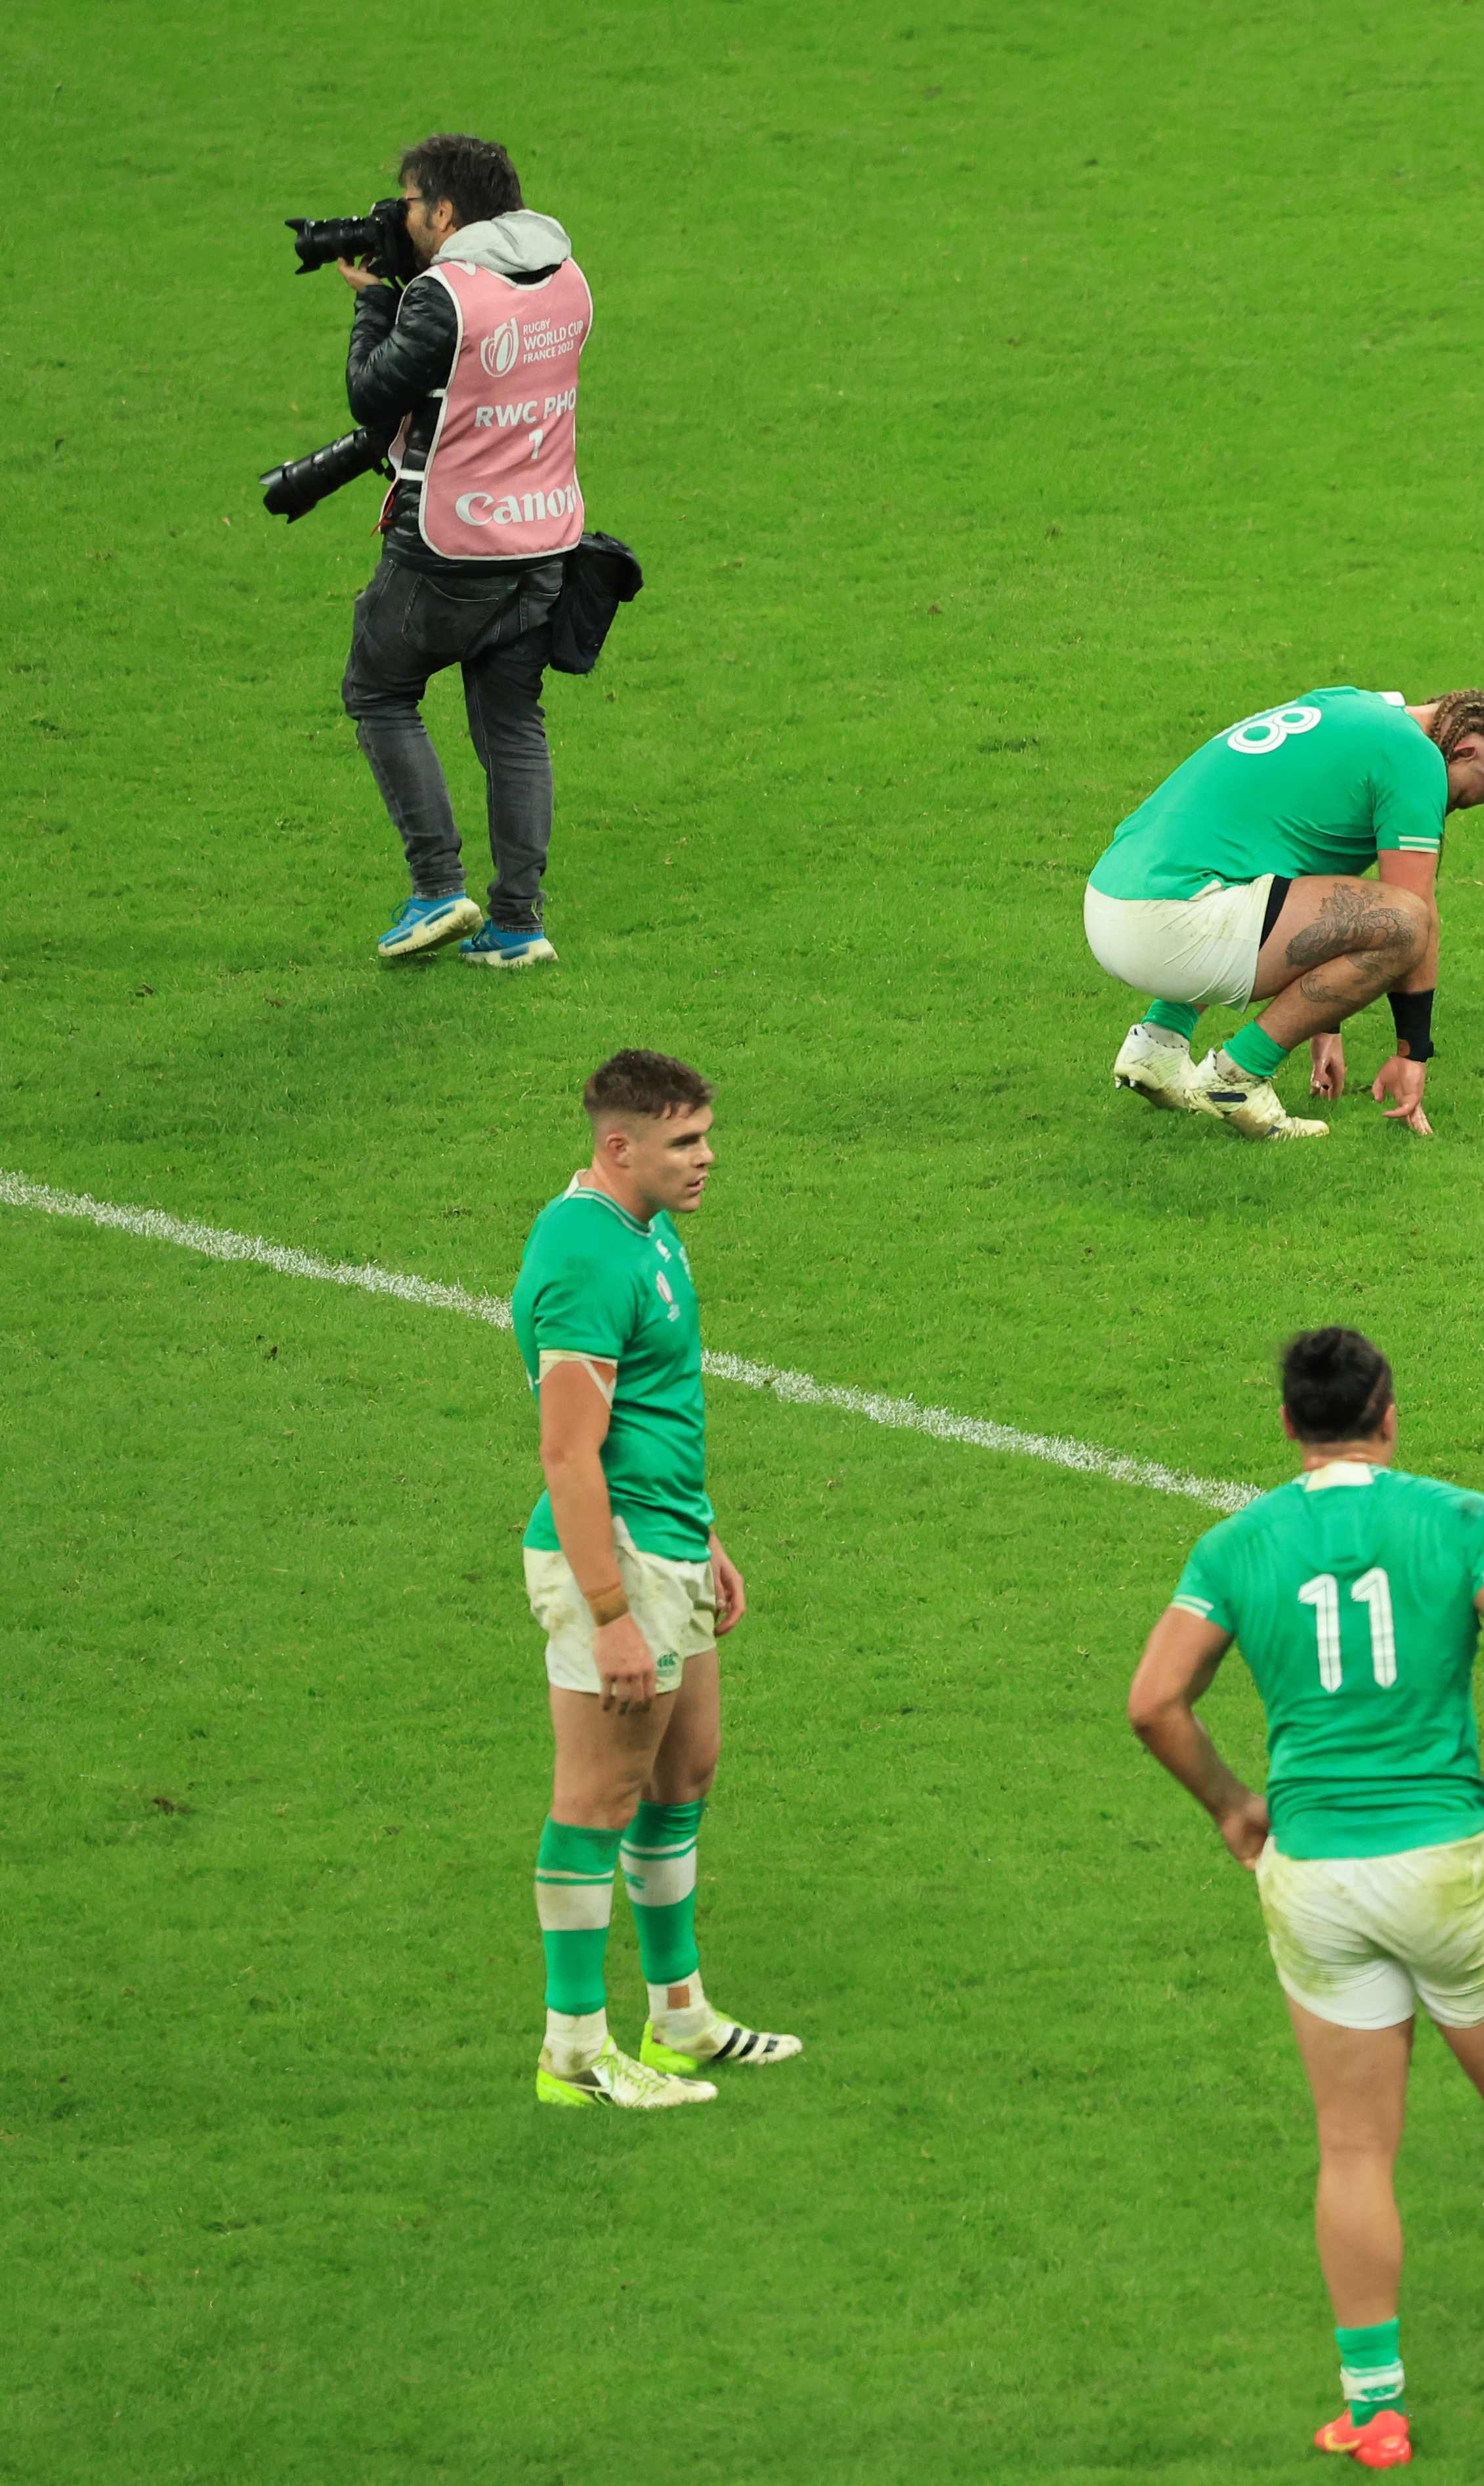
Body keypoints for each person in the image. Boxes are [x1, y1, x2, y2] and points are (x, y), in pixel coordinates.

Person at [1126, 1329, 1484, 2466]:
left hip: (1312, 1874)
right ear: (1388, 1411)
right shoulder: (1457, 1520)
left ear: (1290, 1426)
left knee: (1354, 2146)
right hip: (1446, 1862)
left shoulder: (1234, 1543)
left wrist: (1229, 1805)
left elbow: (1156, 1700)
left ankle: (1372, 2409)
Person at [512, 1050, 801, 2108]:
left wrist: (706, 1534)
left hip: (670, 1539)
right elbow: (568, 1451)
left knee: (683, 1774)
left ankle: (678, 2014)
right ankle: (574, 2052)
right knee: (597, 1797)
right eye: (685, 1140)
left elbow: (657, 1412)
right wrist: (611, 1614)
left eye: (706, 1134)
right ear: (618, 1145)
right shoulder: (585, 1254)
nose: (707, 1156)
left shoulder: (650, 1228)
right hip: (617, 1556)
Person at [336, 134, 595, 970]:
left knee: (378, 689)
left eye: (409, 202)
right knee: (514, 723)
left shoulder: (442, 296)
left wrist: (374, 299)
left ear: (444, 212)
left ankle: (438, 884)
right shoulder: (568, 277)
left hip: (449, 550)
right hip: (547, 540)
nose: (401, 215)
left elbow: (373, 392)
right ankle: (520, 924)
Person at [1086, 689, 1484, 1142]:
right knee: (1404, 924)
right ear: (1464, 750)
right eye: (1463, 798)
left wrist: (1323, 1024)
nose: (1447, 811)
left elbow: (1313, 883)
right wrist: (1412, 1052)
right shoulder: (1416, 757)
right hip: (1168, 925)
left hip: (1111, 900)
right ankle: (1236, 1077)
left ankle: (1158, 1044)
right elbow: (1414, 916)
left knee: (1262, 874)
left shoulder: (1347, 706)